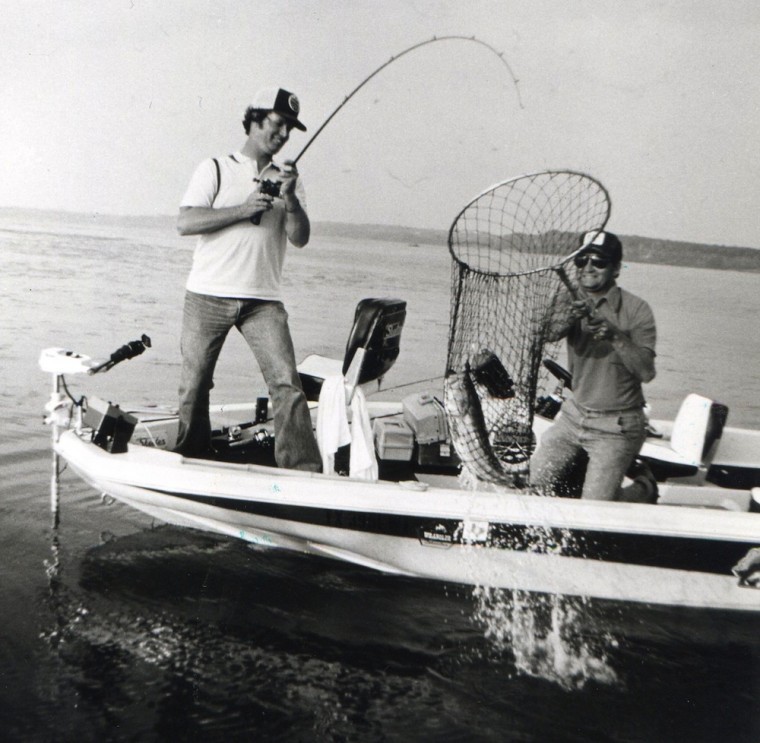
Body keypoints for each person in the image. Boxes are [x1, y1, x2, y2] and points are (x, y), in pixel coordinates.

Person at [173, 87, 322, 471]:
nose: (285, 134)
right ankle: (191, 459)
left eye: (290, 129)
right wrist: (242, 210)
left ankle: (303, 471)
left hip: (263, 300)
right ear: (255, 121)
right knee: (195, 384)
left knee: (287, 385)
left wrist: (290, 199)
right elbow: (186, 222)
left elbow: (300, 237)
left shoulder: (290, 179)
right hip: (206, 296)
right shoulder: (215, 167)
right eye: (278, 124)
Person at [531, 230, 657, 501]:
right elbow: (544, 335)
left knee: (595, 509)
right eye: (581, 260)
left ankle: (645, 488)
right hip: (573, 415)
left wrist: (614, 335)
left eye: (598, 261)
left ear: (616, 269)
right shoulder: (568, 298)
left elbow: (646, 372)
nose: (588, 267)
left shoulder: (637, 310)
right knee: (533, 488)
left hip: (618, 426)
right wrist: (565, 318)